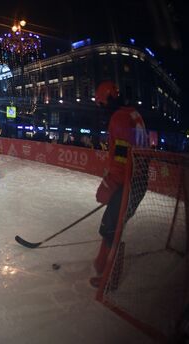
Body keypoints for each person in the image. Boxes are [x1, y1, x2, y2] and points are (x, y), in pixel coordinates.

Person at [90, 81, 148, 288]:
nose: (101, 109)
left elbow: (123, 157)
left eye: (101, 104)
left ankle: (107, 275)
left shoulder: (119, 118)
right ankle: (103, 269)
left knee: (110, 228)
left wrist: (110, 182)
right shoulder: (133, 113)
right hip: (138, 180)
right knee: (113, 227)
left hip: (127, 182)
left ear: (108, 100)